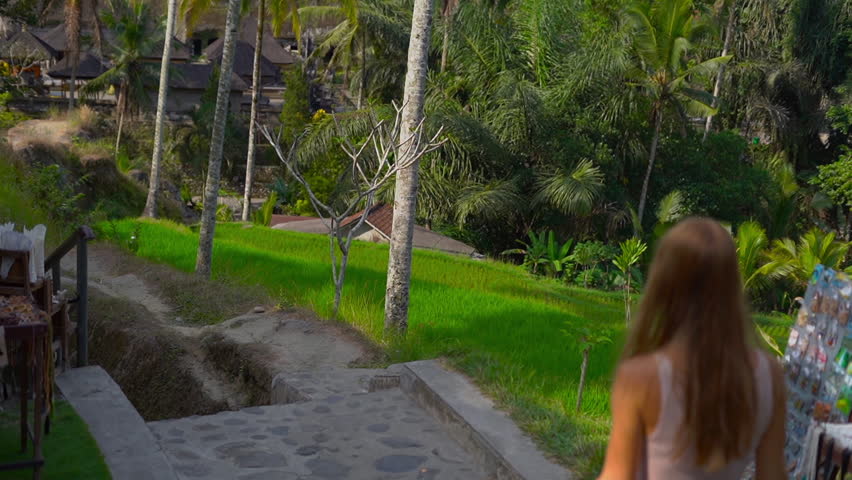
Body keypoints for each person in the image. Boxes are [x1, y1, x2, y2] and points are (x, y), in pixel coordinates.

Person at [597, 218, 786, 480]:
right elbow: (773, 474)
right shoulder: (769, 375)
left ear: (664, 285)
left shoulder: (640, 377)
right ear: (732, 286)